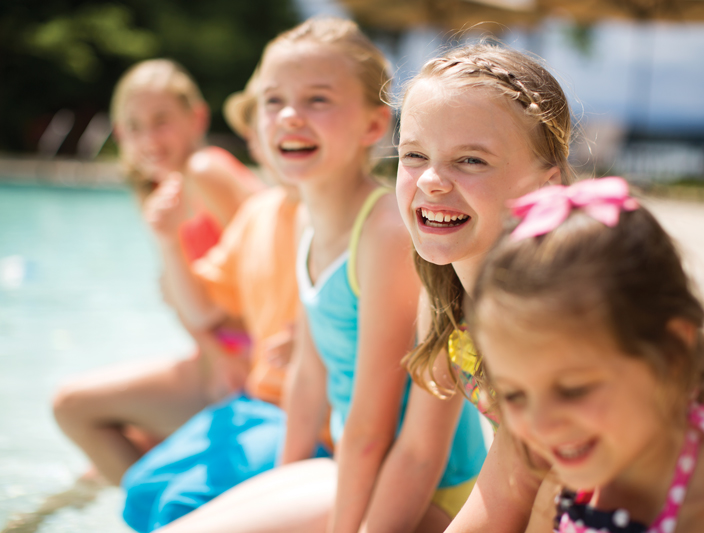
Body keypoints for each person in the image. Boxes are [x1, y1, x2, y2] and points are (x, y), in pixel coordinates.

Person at [157, 17, 486, 533]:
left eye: (317, 100)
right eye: (272, 100)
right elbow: (308, 378)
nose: (289, 115)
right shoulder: (307, 221)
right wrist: (281, 482)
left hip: (427, 493)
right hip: (349, 468)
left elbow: (372, 428)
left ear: (374, 128)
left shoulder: (383, 234)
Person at [470, 176, 704, 533]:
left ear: (672, 353)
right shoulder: (594, 453)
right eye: (514, 394)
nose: (541, 424)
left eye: (575, 389)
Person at [117, 64, 333, 532]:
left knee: (175, 502)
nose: (278, 130)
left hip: (287, 405)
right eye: (264, 120)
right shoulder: (257, 214)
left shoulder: (332, 218)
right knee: (141, 489)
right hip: (258, 392)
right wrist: (167, 241)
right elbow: (204, 303)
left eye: (161, 120)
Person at [52, 59, 261, 488]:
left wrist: (224, 355)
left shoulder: (205, 171)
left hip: (245, 367)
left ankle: (165, 515)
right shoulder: (161, 194)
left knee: (71, 407)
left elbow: (277, 259)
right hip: (218, 359)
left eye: (161, 120)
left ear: (196, 117)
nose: (148, 137)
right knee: (107, 460)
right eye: (134, 125)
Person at [395, 42, 572, 532]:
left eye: (471, 160)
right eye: (413, 154)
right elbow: (416, 453)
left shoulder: (542, 322)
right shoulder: (449, 294)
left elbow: (506, 502)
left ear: (545, 186)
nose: (431, 180)